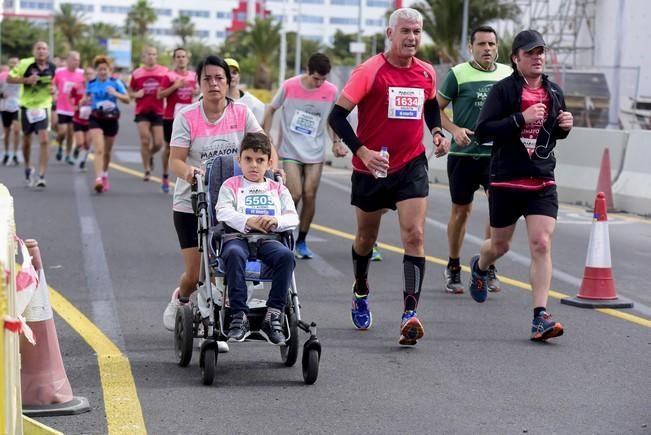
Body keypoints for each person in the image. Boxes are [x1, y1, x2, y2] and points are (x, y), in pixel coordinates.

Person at [328, 8, 449, 345]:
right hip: (371, 169)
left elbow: (428, 106)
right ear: (390, 33)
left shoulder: (425, 72)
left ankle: (410, 314)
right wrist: (361, 152)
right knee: (366, 239)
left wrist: (437, 132)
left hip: (410, 165)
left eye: (417, 31)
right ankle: (361, 288)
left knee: (415, 234)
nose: (412, 38)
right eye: (406, 31)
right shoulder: (369, 71)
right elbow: (337, 117)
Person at [164, 56, 280, 350]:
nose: (214, 84)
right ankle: (181, 298)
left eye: (219, 78)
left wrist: (272, 174)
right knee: (195, 274)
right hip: (193, 202)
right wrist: (191, 173)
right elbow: (175, 161)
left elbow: (266, 148)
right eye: (208, 78)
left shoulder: (241, 114)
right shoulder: (187, 116)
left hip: (233, 203)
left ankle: (217, 321)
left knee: (220, 266)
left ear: (228, 82)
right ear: (199, 83)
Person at [470, 30, 573, 341]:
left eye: (541, 51)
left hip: (541, 180)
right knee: (500, 246)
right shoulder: (503, 91)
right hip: (506, 179)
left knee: (541, 243)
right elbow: (483, 132)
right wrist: (520, 118)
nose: (538, 57)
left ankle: (540, 317)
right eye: (530, 52)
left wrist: (564, 127)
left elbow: (550, 134)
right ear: (516, 59)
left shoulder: (554, 92)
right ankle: (480, 265)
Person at [437, 25, 512, 294]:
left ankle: (488, 265)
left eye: (491, 44)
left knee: (497, 211)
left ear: (497, 47)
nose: (487, 49)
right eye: (481, 44)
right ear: (471, 48)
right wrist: (454, 130)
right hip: (463, 156)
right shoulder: (458, 74)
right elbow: (435, 108)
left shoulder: (508, 74)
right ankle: (453, 265)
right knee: (461, 212)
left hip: (497, 157)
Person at [216, 132, 298, 344]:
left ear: (269, 163)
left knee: (286, 257)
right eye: (248, 159)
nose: (254, 165)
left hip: (269, 239)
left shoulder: (278, 189)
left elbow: (292, 216)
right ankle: (238, 315)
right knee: (233, 253)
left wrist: (276, 222)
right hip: (238, 237)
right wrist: (247, 221)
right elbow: (222, 211)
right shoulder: (231, 185)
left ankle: (273, 315)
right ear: (239, 160)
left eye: (260, 160)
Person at [264, 52, 344, 259]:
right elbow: (270, 110)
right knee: (296, 193)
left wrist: (336, 142)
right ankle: (284, 233)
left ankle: (301, 240)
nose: (320, 84)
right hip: (290, 149)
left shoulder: (331, 91)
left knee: (310, 194)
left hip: (315, 151)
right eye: (316, 78)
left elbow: (332, 120)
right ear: (307, 72)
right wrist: (265, 137)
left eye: (323, 79)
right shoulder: (290, 86)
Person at [7, 41, 57, 188]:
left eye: (44, 49)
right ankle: (28, 167)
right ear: (34, 51)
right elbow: (9, 78)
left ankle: (42, 175)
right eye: (38, 49)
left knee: (44, 139)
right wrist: (26, 80)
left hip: (43, 106)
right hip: (26, 107)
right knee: (27, 141)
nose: (41, 51)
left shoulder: (52, 67)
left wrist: (54, 91)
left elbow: (54, 85)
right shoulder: (24, 64)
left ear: (47, 52)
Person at [84, 55, 130, 193]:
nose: (102, 72)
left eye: (105, 69)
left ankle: (104, 174)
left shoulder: (116, 83)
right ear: (96, 70)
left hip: (111, 119)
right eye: (100, 69)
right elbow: (86, 97)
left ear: (109, 70)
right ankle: (98, 179)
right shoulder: (91, 83)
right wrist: (83, 101)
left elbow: (127, 99)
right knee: (99, 149)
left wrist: (115, 93)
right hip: (96, 118)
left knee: (107, 152)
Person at [158, 47, 198, 193]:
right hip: (171, 117)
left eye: (183, 56)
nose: (181, 59)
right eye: (178, 56)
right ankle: (165, 176)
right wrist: (175, 86)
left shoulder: (194, 76)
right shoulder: (169, 76)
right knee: (169, 148)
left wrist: (196, 92)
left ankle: (187, 177)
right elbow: (159, 95)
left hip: (190, 118)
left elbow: (198, 92)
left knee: (189, 150)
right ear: (174, 59)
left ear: (187, 59)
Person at [129, 46, 168, 181]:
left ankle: (149, 154)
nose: (151, 56)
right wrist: (136, 94)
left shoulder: (164, 72)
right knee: (145, 140)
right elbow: (129, 92)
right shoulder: (137, 73)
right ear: (143, 57)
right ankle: (146, 170)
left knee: (158, 143)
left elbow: (169, 88)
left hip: (158, 111)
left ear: (156, 56)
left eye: (153, 54)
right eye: (148, 54)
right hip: (142, 111)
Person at [53, 51, 84, 164]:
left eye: (78, 60)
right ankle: (60, 146)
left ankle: (68, 155)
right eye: (74, 59)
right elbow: (53, 85)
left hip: (74, 109)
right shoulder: (59, 72)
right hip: (62, 107)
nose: (77, 62)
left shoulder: (82, 73)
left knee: (71, 133)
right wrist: (53, 94)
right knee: (62, 132)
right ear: (68, 60)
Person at [224, 58, 266, 125]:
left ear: (239, 77)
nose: (231, 76)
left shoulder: (254, 103)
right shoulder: (213, 102)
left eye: (234, 73)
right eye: (227, 73)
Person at [68, 67, 95, 171]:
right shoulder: (77, 86)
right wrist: (73, 106)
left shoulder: (96, 87)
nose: (89, 76)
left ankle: (83, 162)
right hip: (78, 118)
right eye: (87, 74)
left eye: (91, 74)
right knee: (80, 143)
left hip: (91, 119)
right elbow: (69, 97)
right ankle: (77, 148)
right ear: (84, 75)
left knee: (87, 143)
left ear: (94, 75)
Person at [0, 57, 21, 166]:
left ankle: (16, 154)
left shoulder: (22, 77)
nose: (13, 64)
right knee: (7, 132)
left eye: (15, 63)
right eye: (11, 63)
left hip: (18, 107)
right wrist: (2, 95)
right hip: (5, 107)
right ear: (9, 65)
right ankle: (7, 153)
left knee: (17, 130)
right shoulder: (2, 76)